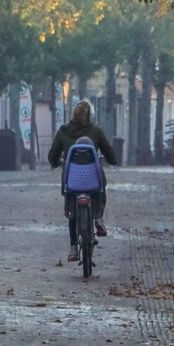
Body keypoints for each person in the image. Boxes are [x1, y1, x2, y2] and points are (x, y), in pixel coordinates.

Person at [48, 100, 118, 261]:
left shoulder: (63, 132)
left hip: (73, 180)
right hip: (92, 180)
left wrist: (55, 162)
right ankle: (99, 217)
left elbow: (53, 155)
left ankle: (73, 247)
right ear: (89, 115)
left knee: (72, 210)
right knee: (101, 186)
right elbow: (108, 151)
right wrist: (112, 160)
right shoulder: (96, 131)